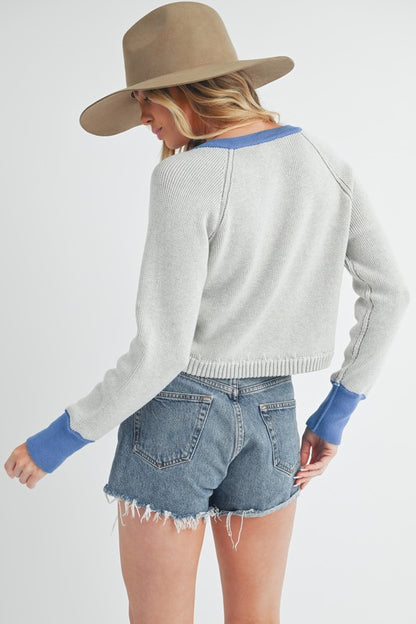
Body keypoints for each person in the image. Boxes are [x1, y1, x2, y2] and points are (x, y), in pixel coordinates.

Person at [4, 2, 410, 623]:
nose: (143, 118)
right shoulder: (325, 161)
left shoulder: (186, 178)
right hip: (276, 418)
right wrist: (334, 415)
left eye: (145, 101)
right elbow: (390, 294)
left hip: (176, 413)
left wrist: (57, 440)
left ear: (179, 93)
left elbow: (161, 353)